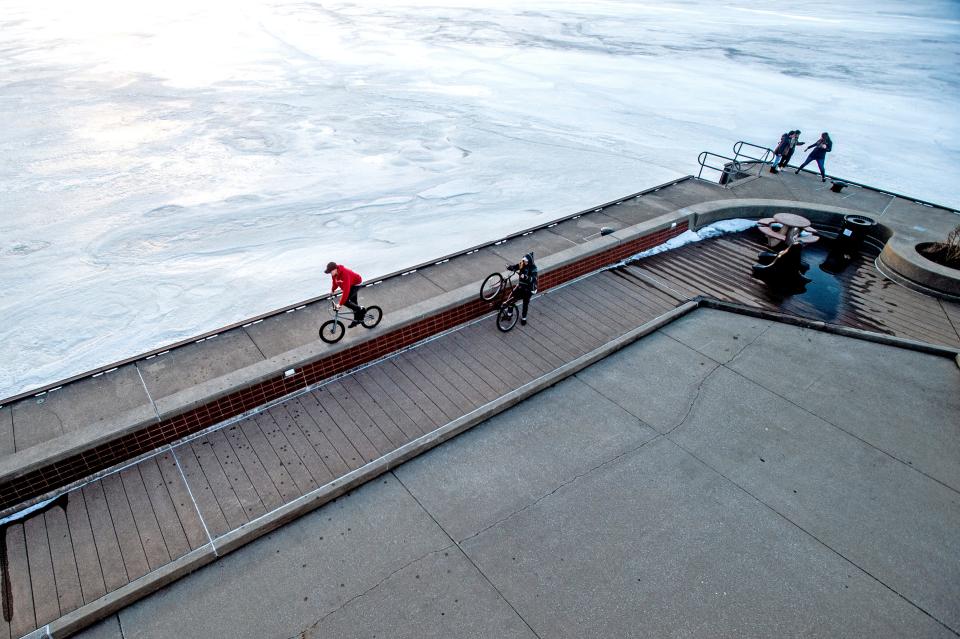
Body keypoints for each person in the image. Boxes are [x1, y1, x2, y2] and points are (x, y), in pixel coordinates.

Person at [325, 261, 365, 327]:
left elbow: (346, 291)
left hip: (356, 284)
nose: (330, 273)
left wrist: (340, 304)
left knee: (345, 301)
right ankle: (357, 320)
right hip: (350, 283)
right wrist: (332, 290)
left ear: (335, 269)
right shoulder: (334, 274)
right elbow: (335, 282)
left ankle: (362, 309)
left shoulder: (344, 273)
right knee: (354, 304)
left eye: (330, 271)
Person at [506, 252, 538, 326]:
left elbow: (533, 279)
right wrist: (510, 267)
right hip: (521, 287)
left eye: (526, 261)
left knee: (525, 303)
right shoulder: (522, 264)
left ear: (530, 261)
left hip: (528, 289)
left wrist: (526, 277)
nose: (524, 262)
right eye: (524, 260)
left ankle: (524, 318)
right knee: (511, 299)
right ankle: (509, 314)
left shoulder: (534, 268)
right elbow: (516, 266)